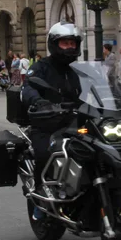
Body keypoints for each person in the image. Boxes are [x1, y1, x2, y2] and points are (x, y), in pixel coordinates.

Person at [21, 23, 84, 219]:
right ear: (54, 44)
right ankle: (41, 197)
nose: (70, 47)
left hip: (76, 123)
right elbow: (28, 88)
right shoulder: (41, 68)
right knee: (44, 152)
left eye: (72, 43)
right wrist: (39, 102)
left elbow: (97, 90)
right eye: (65, 43)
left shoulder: (79, 71)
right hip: (48, 123)